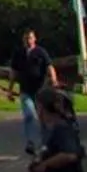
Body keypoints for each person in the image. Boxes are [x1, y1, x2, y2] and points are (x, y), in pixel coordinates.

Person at [10, 28, 55, 157]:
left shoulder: (40, 52)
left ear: (34, 39)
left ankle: (46, 142)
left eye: (30, 38)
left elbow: (49, 66)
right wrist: (10, 89)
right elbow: (14, 72)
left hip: (40, 90)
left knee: (43, 116)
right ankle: (30, 142)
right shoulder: (19, 54)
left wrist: (53, 79)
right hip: (25, 90)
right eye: (25, 38)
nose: (28, 40)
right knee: (29, 115)